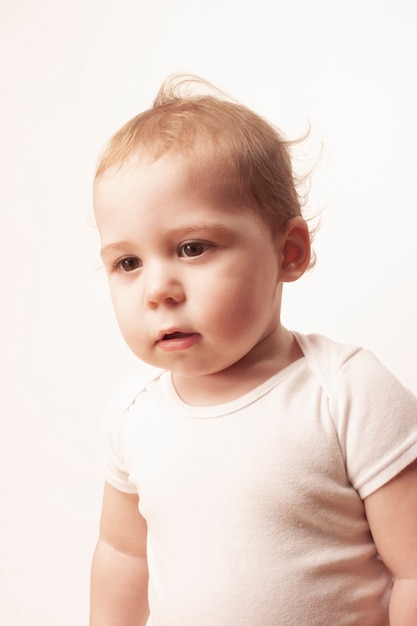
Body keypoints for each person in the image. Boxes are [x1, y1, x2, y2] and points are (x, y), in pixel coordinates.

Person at [89, 75, 417, 626]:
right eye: (128, 263)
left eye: (192, 248)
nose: (157, 289)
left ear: (288, 252)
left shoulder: (345, 393)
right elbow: (123, 555)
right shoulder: (133, 413)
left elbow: (412, 568)